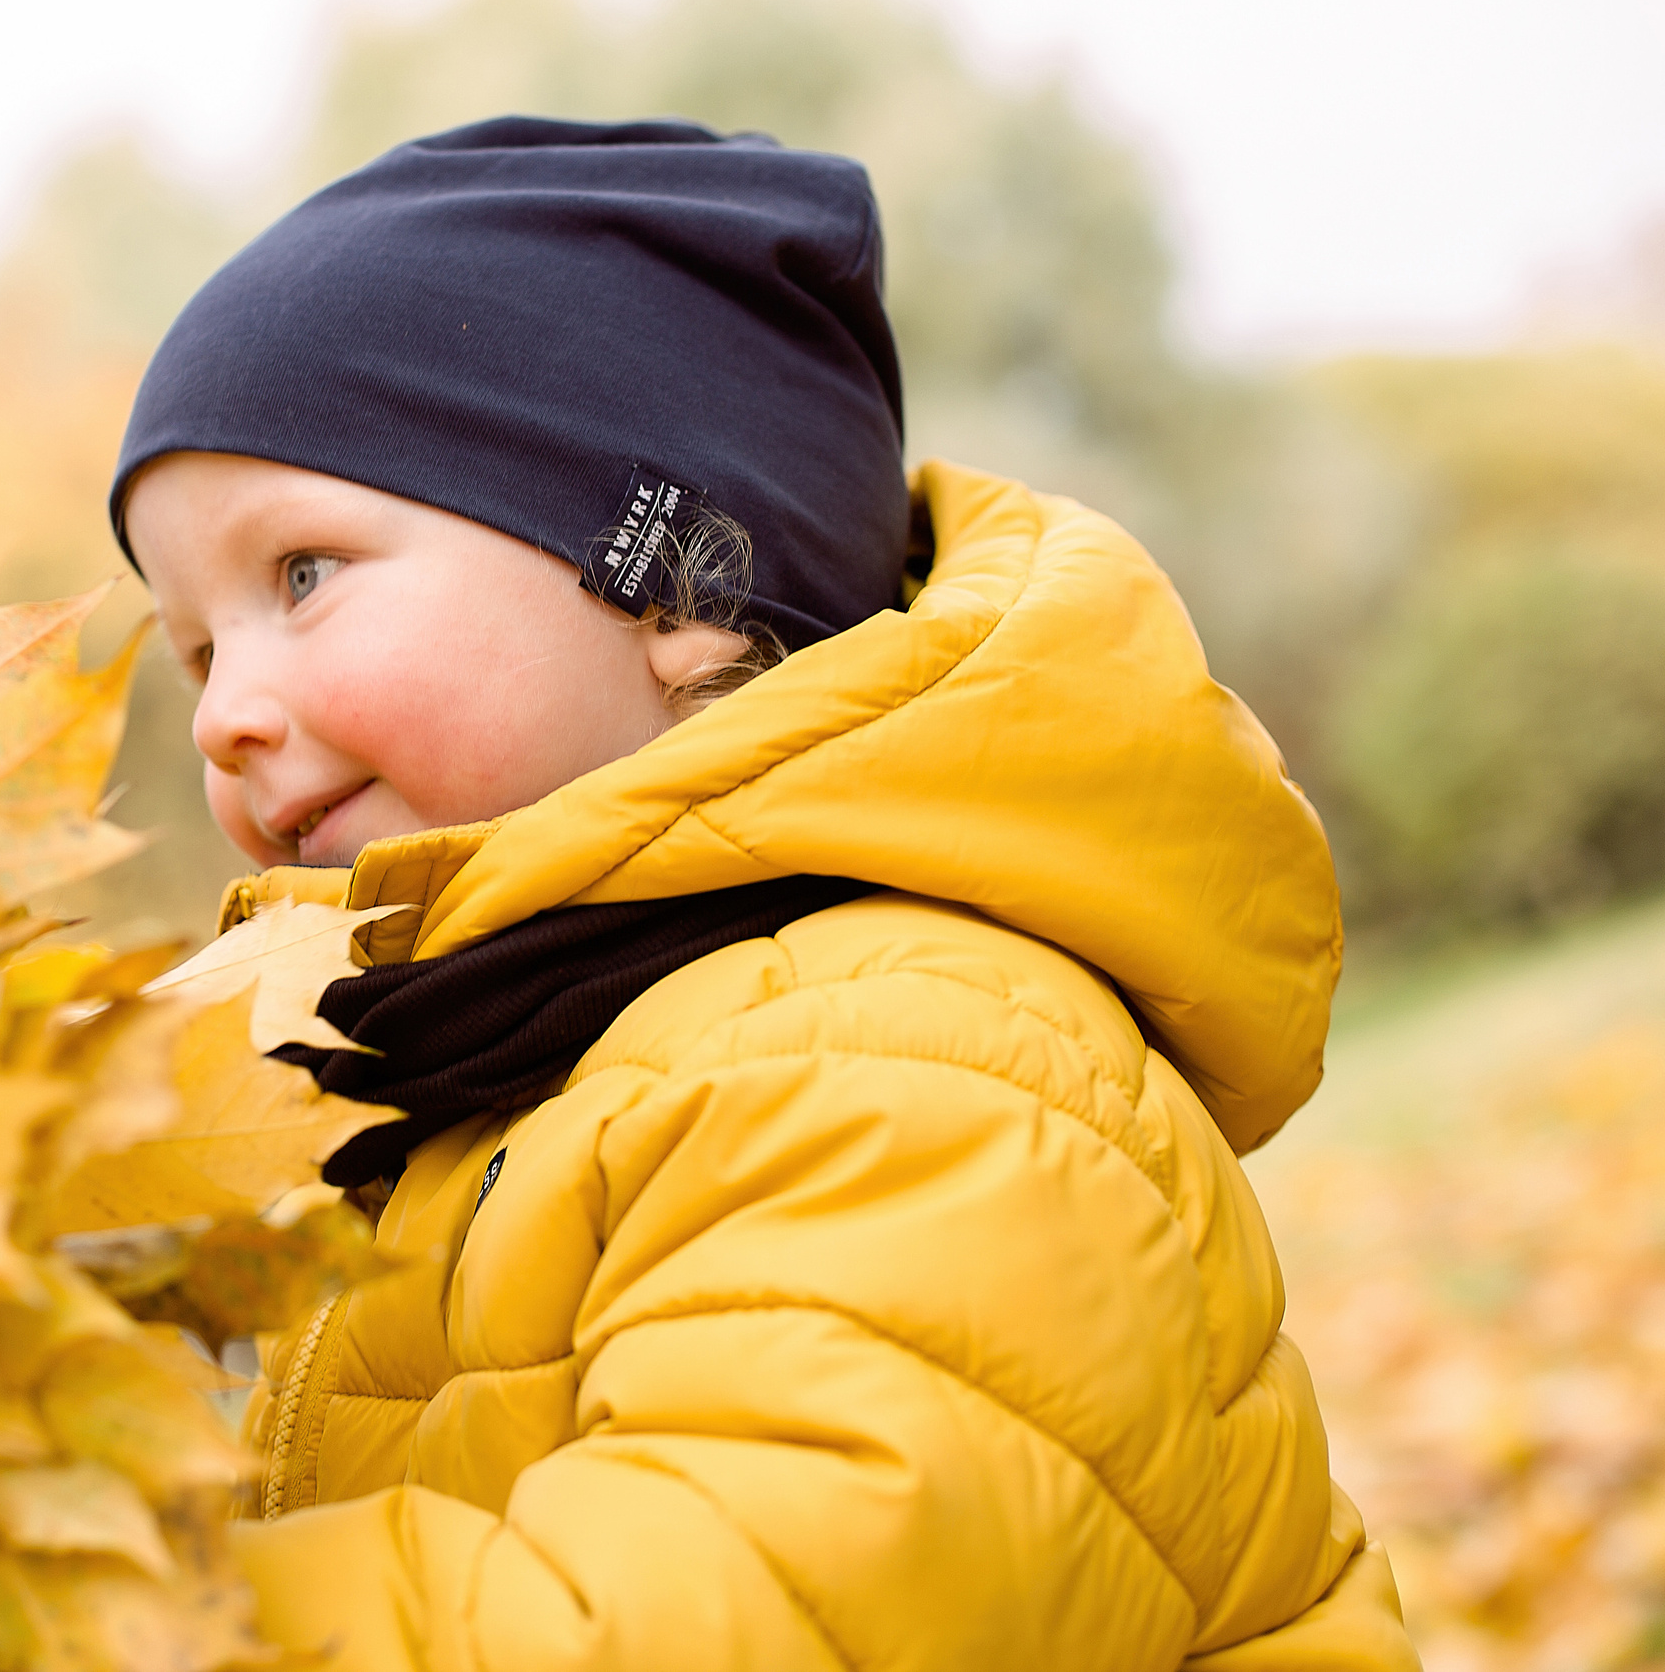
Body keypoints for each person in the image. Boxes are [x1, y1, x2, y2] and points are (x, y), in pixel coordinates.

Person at [110, 117, 1420, 1671]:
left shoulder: (899, 1061)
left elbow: (740, 1619)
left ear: (668, 588)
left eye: (303, 575)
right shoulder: (476, 1090)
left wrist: (102, 1628)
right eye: (193, 647)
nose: (220, 713)